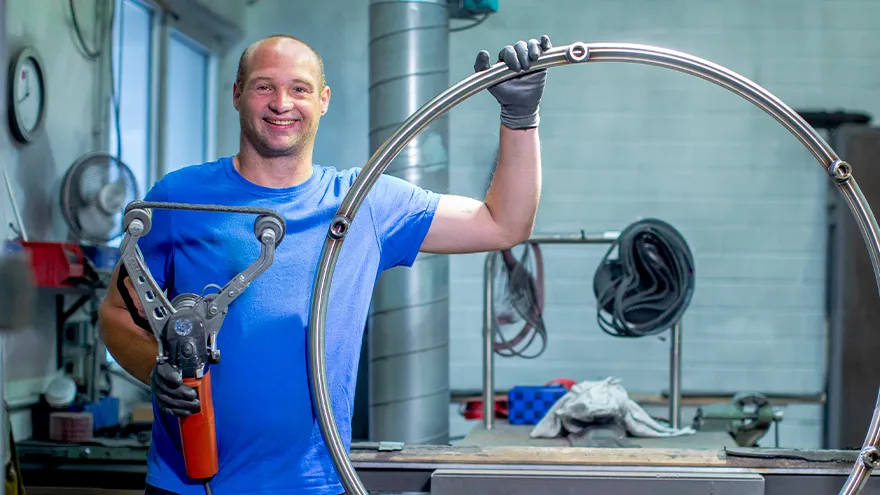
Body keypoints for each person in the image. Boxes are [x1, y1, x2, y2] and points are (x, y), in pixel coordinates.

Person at [98, 33, 552, 495]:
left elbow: (503, 224)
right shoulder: (179, 199)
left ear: (324, 100)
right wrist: (154, 367)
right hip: (187, 483)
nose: (281, 103)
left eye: (299, 88)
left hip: (313, 484)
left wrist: (520, 118)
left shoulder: (363, 203)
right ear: (236, 94)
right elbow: (117, 314)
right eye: (262, 86)